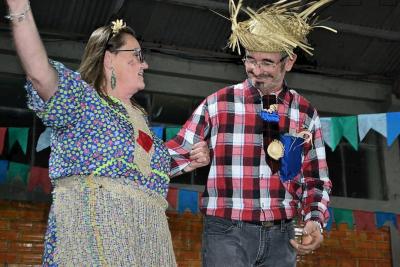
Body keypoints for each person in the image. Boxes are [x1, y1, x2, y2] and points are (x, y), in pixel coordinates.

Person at [5, 0, 210, 265]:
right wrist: (21, 10)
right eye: (136, 55)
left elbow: (142, 169)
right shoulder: (83, 102)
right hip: (92, 238)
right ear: (109, 59)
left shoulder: (140, 120)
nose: (144, 64)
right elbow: (40, 75)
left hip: (146, 245)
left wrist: (190, 159)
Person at [166, 0, 334, 266]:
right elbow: (174, 154)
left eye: (267, 62)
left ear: (289, 61)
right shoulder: (218, 103)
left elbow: (316, 178)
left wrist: (315, 219)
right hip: (226, 232)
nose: (256, 70)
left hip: (282, 236)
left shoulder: (304, 113)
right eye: (250, 59)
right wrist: (130, 171)